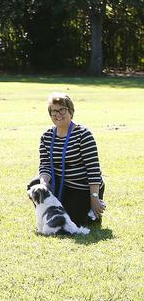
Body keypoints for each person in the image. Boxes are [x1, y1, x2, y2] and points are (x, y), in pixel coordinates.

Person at [31, 92, 106, 226]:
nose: (58, 114)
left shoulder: (84, 135)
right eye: (54, 111)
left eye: (62, 109)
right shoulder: (46, 136)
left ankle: (93, 211)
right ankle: (47, 217)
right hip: (61, 184)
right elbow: (45, 165)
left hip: (82, 187)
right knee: (34, 186)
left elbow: (93, 169)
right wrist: (44, 184)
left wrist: (94, 198)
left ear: (70, 111)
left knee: (72, 221)